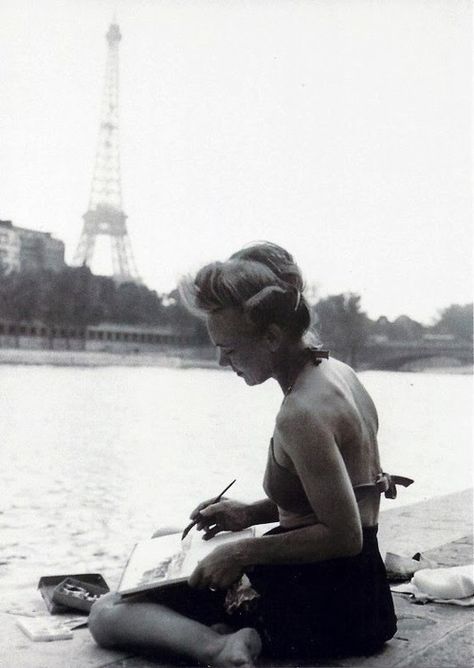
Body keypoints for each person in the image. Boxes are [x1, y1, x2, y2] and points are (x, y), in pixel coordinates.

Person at [89, 242, 412, 666]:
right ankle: (229, 629)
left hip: (317, 602)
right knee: (166, 539)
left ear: (272, 336)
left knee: (106, 613)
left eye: (230, 347)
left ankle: (221, 646)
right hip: (362, 596)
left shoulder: (300, 414)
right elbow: (342, 499)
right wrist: (247, 515)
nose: (222, 361)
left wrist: (241, 552)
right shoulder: (337, 373)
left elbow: (342, 535)